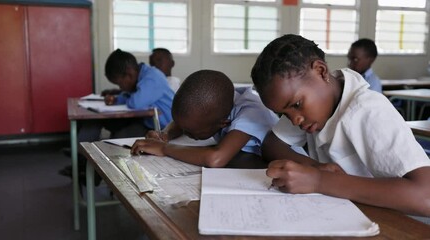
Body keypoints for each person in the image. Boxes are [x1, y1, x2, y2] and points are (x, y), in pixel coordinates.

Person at [250, 34, 430, 217]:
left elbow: (426, 196)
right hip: (350, 211)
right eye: (285, 114)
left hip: (397, 222)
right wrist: (313, 167)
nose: (295, 120)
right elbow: (272, 144)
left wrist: (319, 180)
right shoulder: (310, 108)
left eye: (296, 105)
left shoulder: (368, 110)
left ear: (320, 71)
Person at [59, 49, 175, 183]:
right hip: (145, 121)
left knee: (117, 139)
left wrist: (123, 96)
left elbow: (136, 102)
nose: (121, 87)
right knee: (93, 122)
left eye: (120, 83)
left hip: (162, 128)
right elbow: (131, 97)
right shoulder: (141, 76)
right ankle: (80, 161)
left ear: (129, 74)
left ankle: (93, 174)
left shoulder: (153, 77)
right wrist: (116, 99)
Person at [130, 69, 278, 168]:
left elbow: (216, 158)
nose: (184, 133)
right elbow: (184, 121)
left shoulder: (251, 111)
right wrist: (165, 135)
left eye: (190, 132)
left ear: (223, 123)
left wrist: (164, 148)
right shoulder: (216, 107)